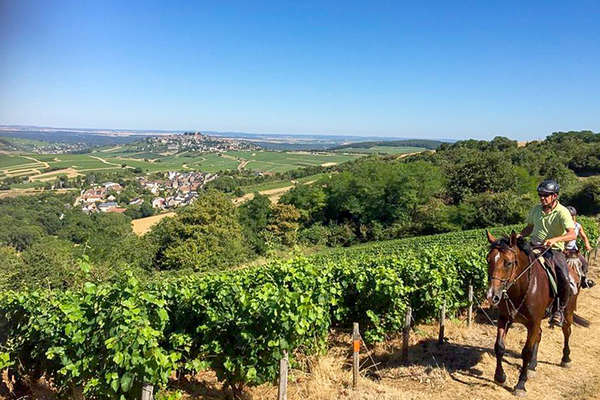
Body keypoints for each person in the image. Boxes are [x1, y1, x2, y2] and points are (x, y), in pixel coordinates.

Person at [519, 179, 576, 327]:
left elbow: (572, 234)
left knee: (564, 276)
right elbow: (529, 228)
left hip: (554, 250)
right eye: (540, 195)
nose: (542, 198)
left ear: (554, 196)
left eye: (546, 195)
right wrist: (520, 235)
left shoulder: (562, 212)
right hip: (534, 246)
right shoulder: (536, 209)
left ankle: (560, 309)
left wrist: (555, 239)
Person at [565, 206, 594, 288]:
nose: (572, 218)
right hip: (562, 249)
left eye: (573, 216)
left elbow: (584, 237)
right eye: (570, 216)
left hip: (573, 250)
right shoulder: (562, 225)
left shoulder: (578, 226)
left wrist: (587, 244)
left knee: (584, 263)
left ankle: (584, 280)